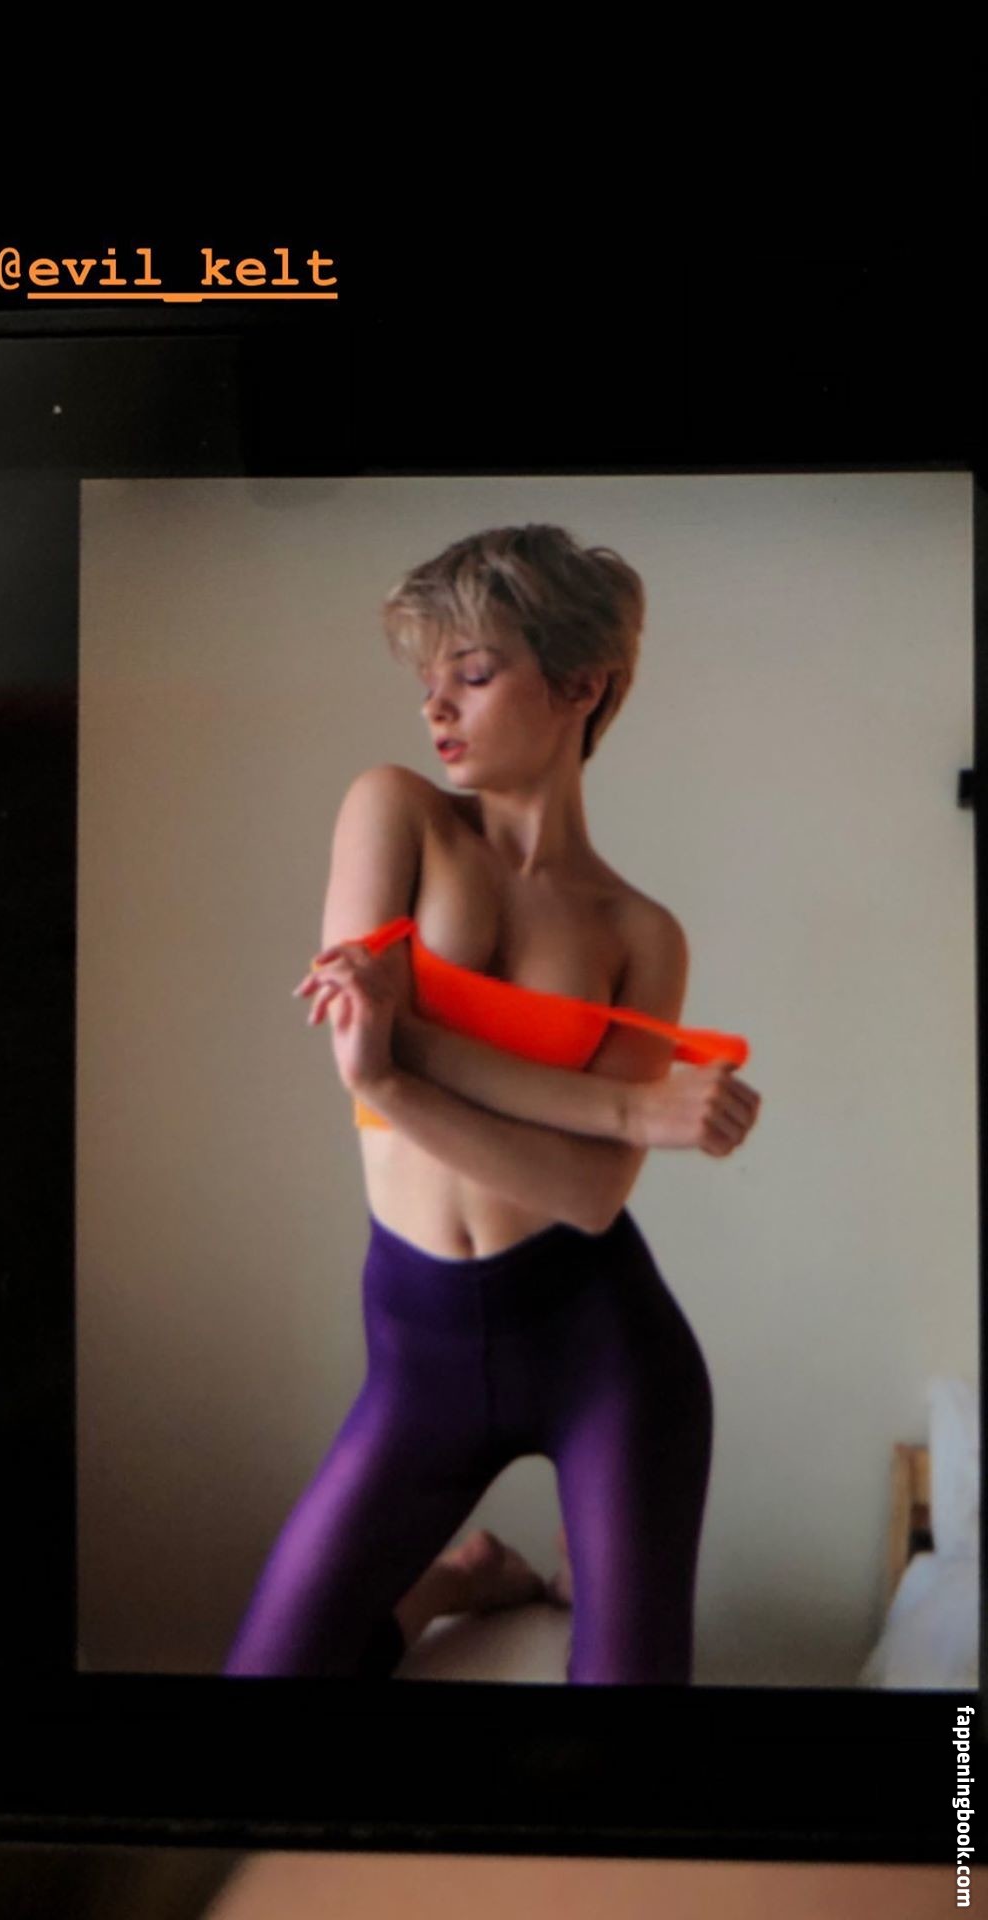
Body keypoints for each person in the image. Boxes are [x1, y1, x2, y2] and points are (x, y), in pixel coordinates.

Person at [223, 524, 761, 1684]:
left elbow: (588, 1198)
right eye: (429, 679)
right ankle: (452, 1586)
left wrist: (398, 1062)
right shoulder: (396, 811)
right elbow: (362, 1035)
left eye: (472, 673)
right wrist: (624, 1109)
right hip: (417, 1352)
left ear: (581, 686)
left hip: (604, 1348)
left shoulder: (640, 934)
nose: (436, 706)